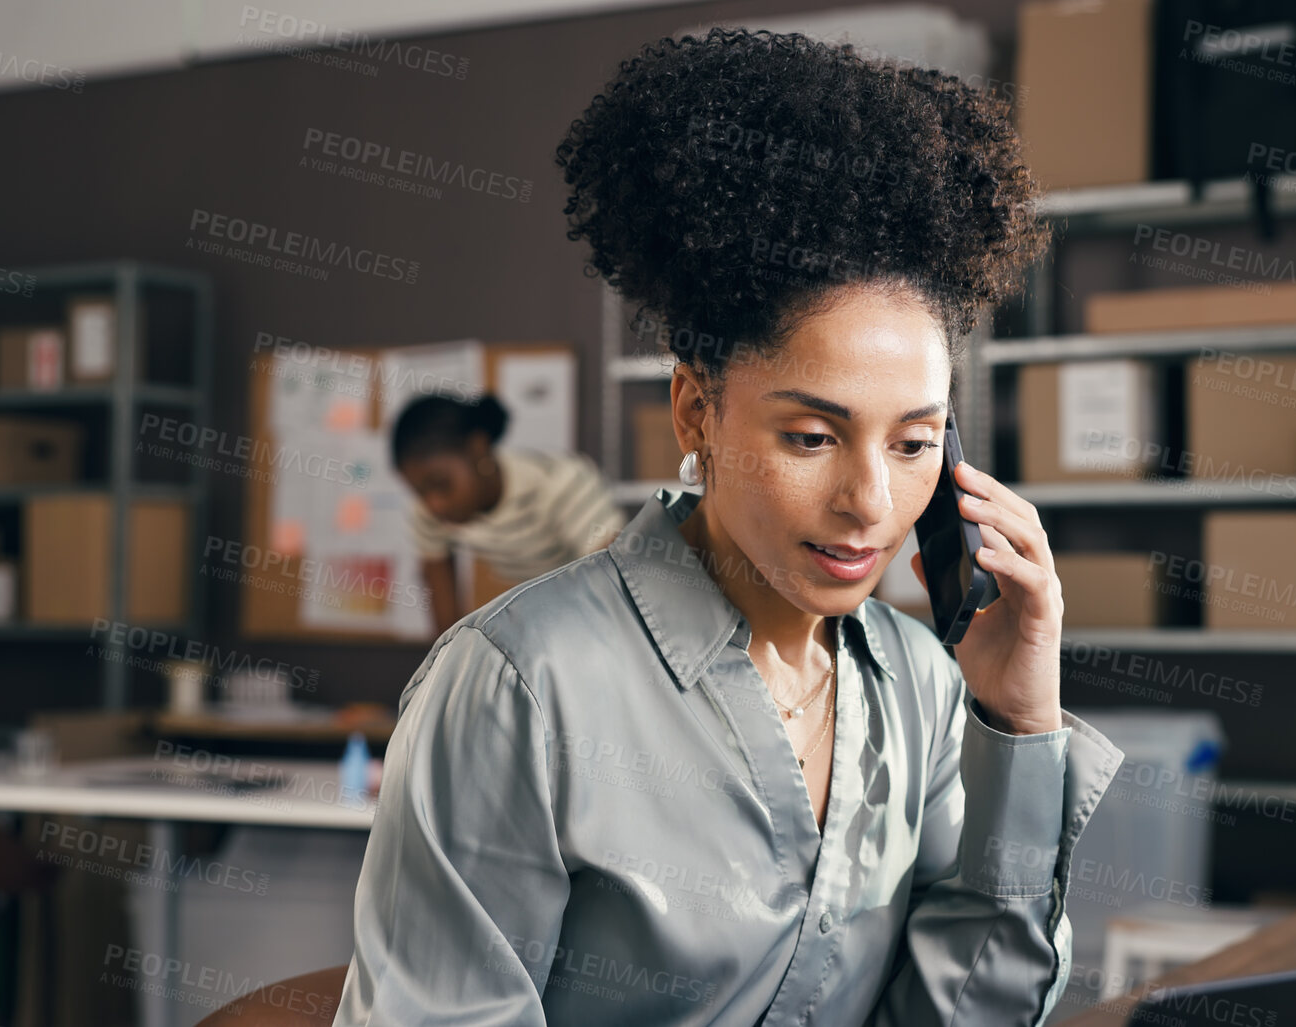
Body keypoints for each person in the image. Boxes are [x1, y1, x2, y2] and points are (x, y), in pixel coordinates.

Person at [336, 28, 1125, 1026]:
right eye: (811, 436)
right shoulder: (521, 687)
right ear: (696, 412)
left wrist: (1017, 722)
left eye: (915, 443)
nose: (871, 503)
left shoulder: (924, 685)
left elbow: (968, 1012)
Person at [390, 392, 625, 633]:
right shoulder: (430, 512)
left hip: (587, 616)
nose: (434, 505)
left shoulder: (561, 484)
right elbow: (443, 613)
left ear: (478, 448)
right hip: (530, 612)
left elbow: (610, 578)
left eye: (441, 484)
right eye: (419, 492)